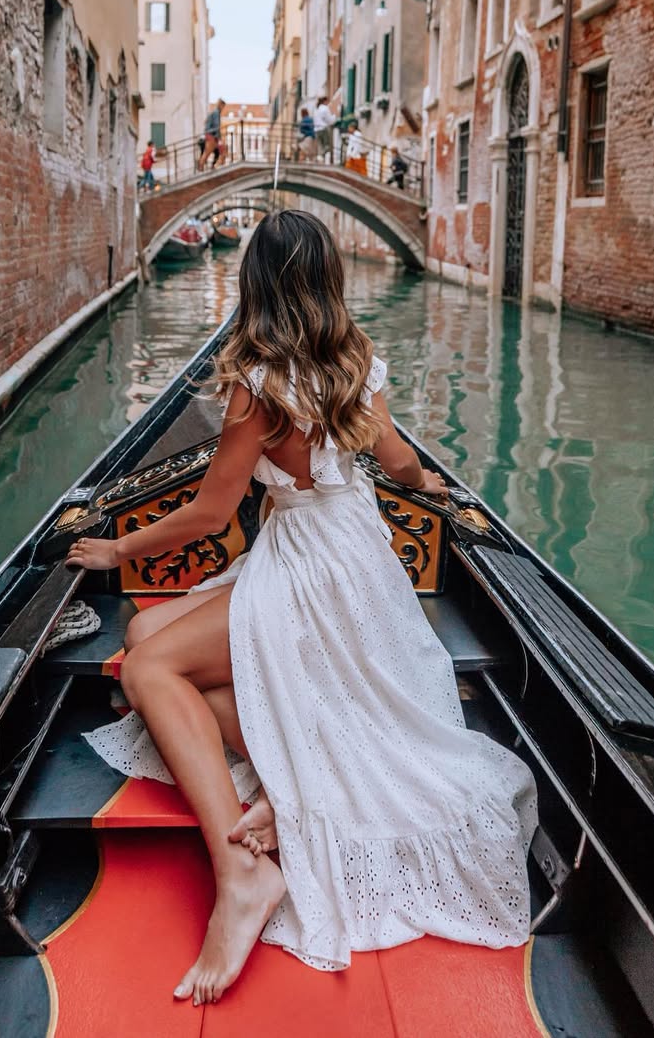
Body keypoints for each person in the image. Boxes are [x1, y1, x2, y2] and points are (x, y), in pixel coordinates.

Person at [67, 211, 538, 1007]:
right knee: (150, 630)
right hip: (362, 563)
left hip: (307, 570)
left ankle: (241, 868)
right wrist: (435, 491)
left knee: (146, 663)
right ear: (326, 282)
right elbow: (399, 463)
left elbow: (213, 515)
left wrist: (118, 550)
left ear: (257, 284)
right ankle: (295, 776)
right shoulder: (358, 364)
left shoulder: (256, 385)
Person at [200, 99, 224, 171]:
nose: (223, 108)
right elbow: (217, 126)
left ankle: (211, 166)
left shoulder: (213, 112)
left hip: (210, 134)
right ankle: (203, 167)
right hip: (212, 135)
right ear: (221, 105)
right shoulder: (216, 113)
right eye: (223, 106)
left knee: (216, 151)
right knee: (209, 152)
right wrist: (219, 137)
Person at [312, 95, 334, 161]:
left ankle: (320, 158)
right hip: (323, 129)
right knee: (327, 146)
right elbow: (329, 120)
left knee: (320, 146)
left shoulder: (316, 109)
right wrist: (334, 117)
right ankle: (325, 160)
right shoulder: (325, 108)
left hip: (317, 129)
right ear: (325, 101)